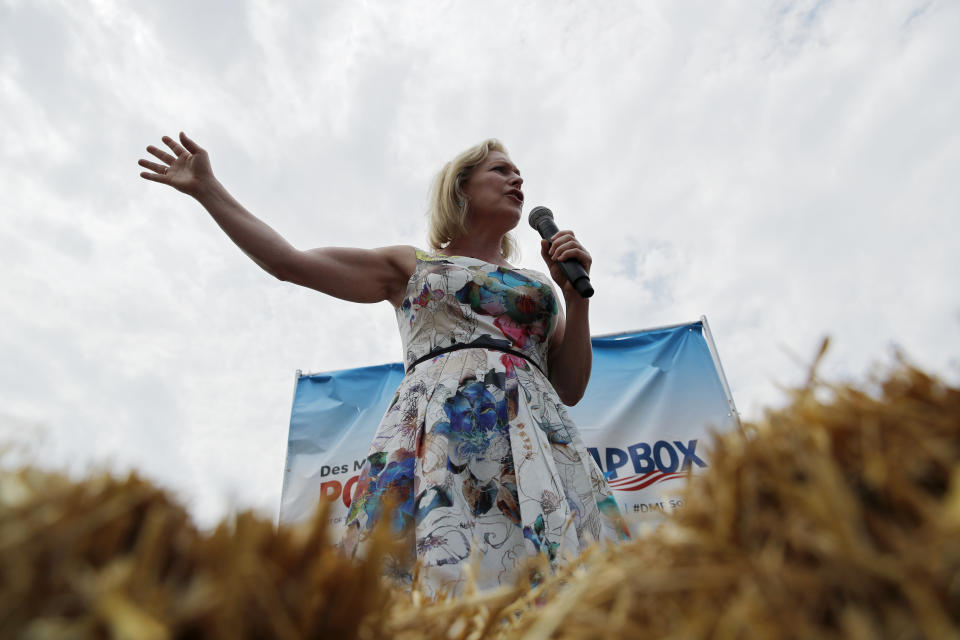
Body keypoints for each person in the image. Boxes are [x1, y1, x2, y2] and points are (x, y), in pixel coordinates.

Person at [139, 133, 629, 595]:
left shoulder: (541, 288)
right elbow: (289, 261)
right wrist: (209, 190)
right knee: (440, 575)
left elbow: (570, 386)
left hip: (535, 444)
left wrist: (574, 299)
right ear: (460, 187)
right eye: (501, 170)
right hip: (440, 438)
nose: (517, 181)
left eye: (520, 174)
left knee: (551, 583)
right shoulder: (412, 265)